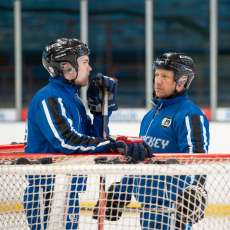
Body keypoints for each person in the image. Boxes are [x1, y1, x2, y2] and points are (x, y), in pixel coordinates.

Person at [24, 37, 152, 230]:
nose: (90, 68)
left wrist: (100, 112)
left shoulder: (72, 99)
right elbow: (66, 142)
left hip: (67, 191)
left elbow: (94, 140)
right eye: (85, 62)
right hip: (48, 193)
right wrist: (111, 144)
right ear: (67, 67)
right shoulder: (49, 98)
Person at [98, 53, 210, 230]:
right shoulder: (150, 116)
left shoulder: (190, 115)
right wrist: (122, 191)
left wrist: (196, 190)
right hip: (148, 212)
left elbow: (198, 159)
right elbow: (142, 160)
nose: (157, 81)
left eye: (165, 76)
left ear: (181, 82)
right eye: (156, 74)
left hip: (173, 213)